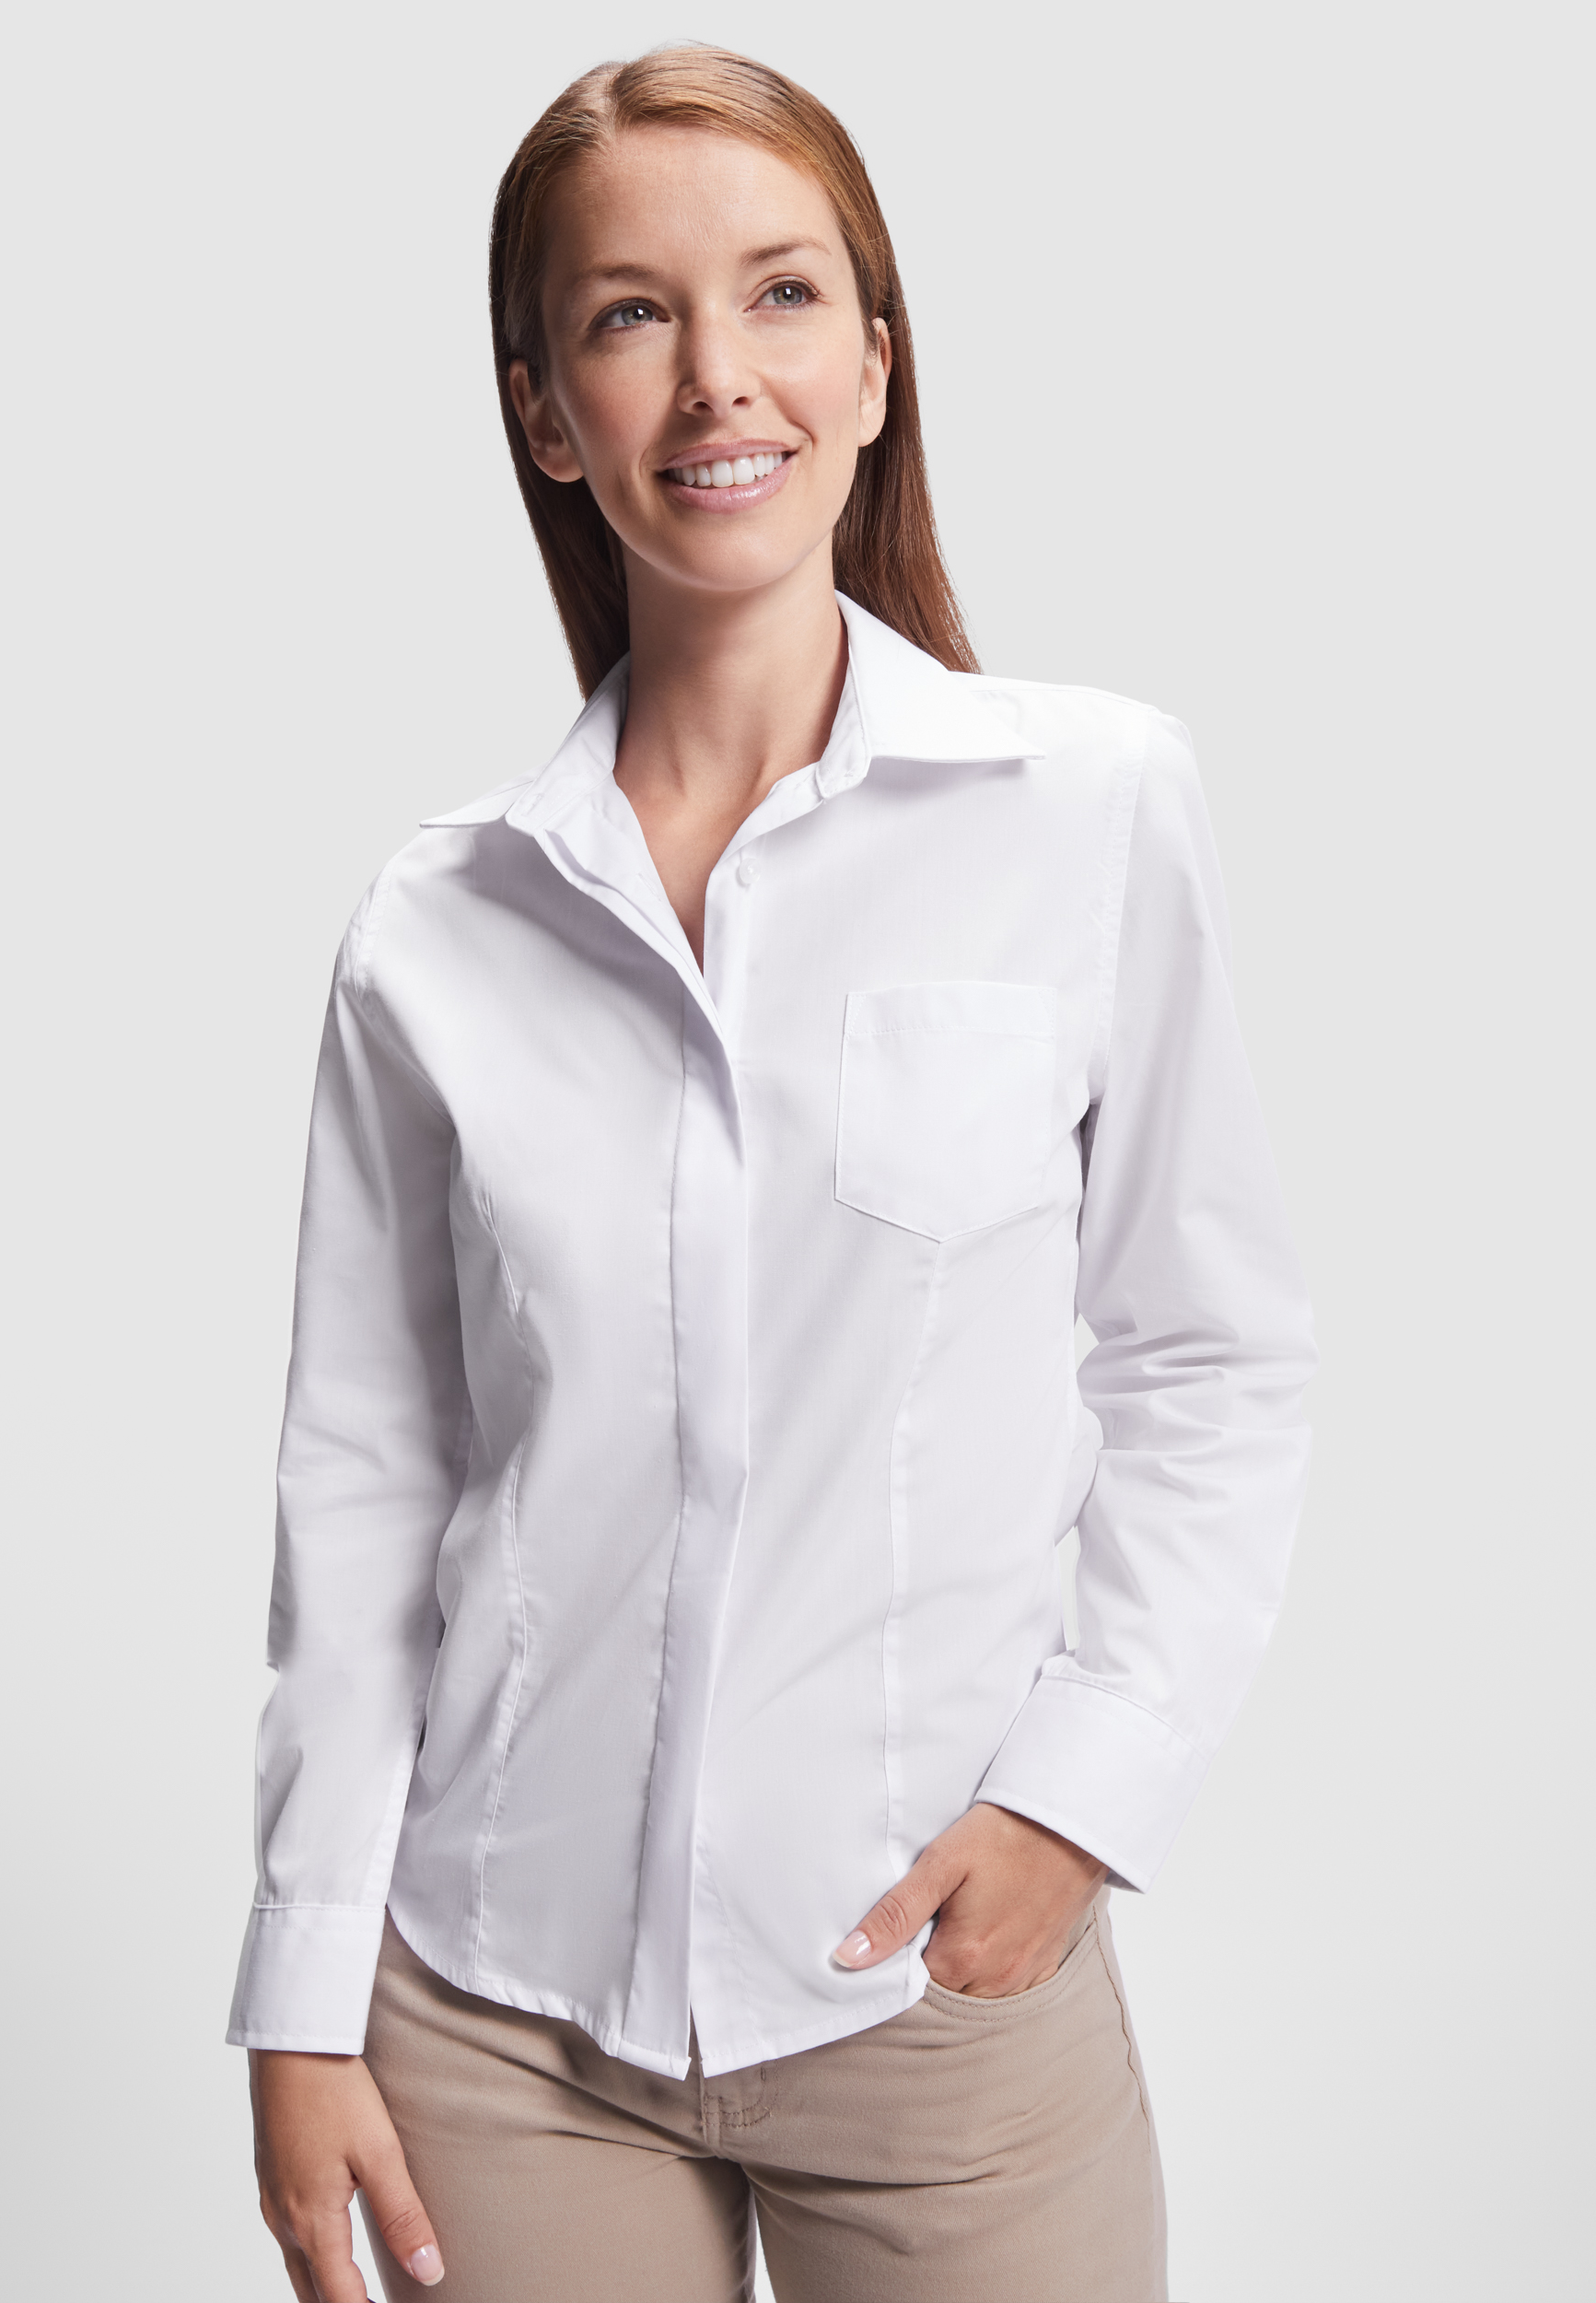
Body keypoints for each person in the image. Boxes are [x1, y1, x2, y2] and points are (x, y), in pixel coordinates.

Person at [228, 44, 1315, 2303]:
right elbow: (365, 1475)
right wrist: (303, 1987)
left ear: (878, 362)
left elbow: (1205, 1355)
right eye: (630, 316)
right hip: (497, 2010)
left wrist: (1081, 1794)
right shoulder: (437, 927)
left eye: (783, 292)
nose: (718, 373)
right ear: (547, 413)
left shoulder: (1090, 808)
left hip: (935, 1986)